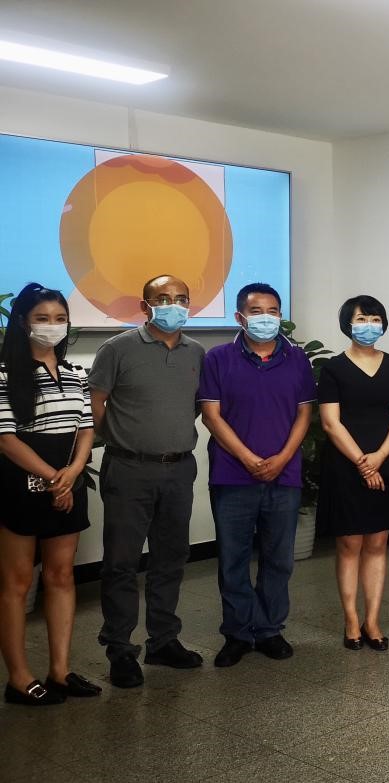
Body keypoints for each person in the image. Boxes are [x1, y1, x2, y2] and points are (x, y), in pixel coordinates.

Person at [90, 275, 206, 689]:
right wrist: (124, 439)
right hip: (129, 469)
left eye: (181, 299)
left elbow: (193, 407)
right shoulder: (117, 348)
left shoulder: (197, 352)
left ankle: (164, 641)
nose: (173, 305)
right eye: (163, 298)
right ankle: (120, 649)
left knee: (170, 557)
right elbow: (96, 404)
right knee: (121, 563)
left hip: (178, 468)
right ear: (145, 306)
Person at [198, 283, 314, 668]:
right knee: (233, 559)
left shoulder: (297, 358)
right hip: (232, 475)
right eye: (256, 311)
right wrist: (248, 458)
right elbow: (211, 416)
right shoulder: (218, 358)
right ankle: (237, 633)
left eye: (273, 310)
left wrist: (282, 458)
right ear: (239, 317)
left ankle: (268, 630)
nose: (266, 317)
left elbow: (304, 414)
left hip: (284, 474)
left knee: (279, 558)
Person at [0, 283, 100, 705]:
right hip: (20, 485)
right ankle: (19, 678)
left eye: (60, 319)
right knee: (17, 582)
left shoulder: (76, 372)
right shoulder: (5, 374)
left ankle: (60, 671)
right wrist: (54, 479)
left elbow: (86, 428)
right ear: (23, 322)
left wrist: (72, 473)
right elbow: (6, 439)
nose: (52, 326)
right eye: (42, 318)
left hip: (68, 480)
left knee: (61, 576)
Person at [318, 296, 389, 652]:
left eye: (375, 319)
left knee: (377, 543)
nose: (368, 325)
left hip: (386, 460)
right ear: (348, 323)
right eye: (361, 319)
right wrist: (362, 462)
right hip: (346, 463)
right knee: (349, 545)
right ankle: (351, 621)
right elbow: (330, 423)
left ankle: (372, 621)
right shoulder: (333, 368)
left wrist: (380, 457)